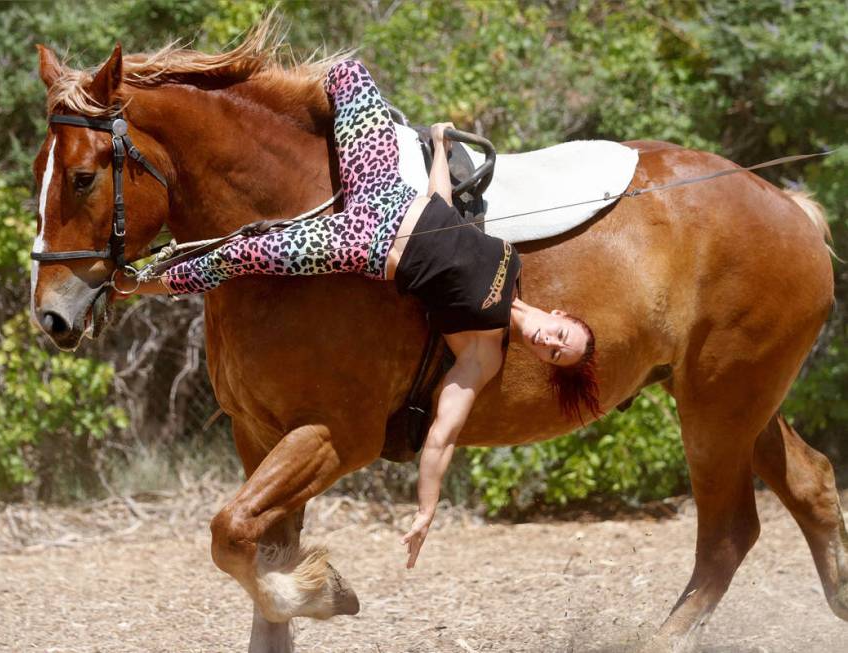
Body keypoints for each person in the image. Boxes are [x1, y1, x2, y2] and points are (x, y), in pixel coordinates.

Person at [121, 60, 600, 569]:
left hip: (360, 243)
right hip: (384, 191)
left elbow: (441, 437)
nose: (551, 343)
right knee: (349, 72)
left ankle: (135, 282)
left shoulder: (482, 352)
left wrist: (426, 509)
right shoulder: (511, 261)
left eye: (555, 355)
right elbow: (440, 206)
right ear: (559, 314)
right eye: (562, 336)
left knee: (239, 255)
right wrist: (438, 149)